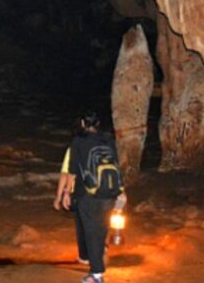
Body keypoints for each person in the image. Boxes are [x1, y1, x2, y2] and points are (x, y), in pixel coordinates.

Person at [53, 112, 126, 283]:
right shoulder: (108, 139)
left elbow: (72, 171)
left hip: (87, 194)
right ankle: (98, 259)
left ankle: (96, 274)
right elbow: (115, 165)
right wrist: (121, 191)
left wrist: (66, 193)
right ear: (98, 124)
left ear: (83, 124)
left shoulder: (78, 141)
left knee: (91, 231)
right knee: (101, 229)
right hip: (109, 192)